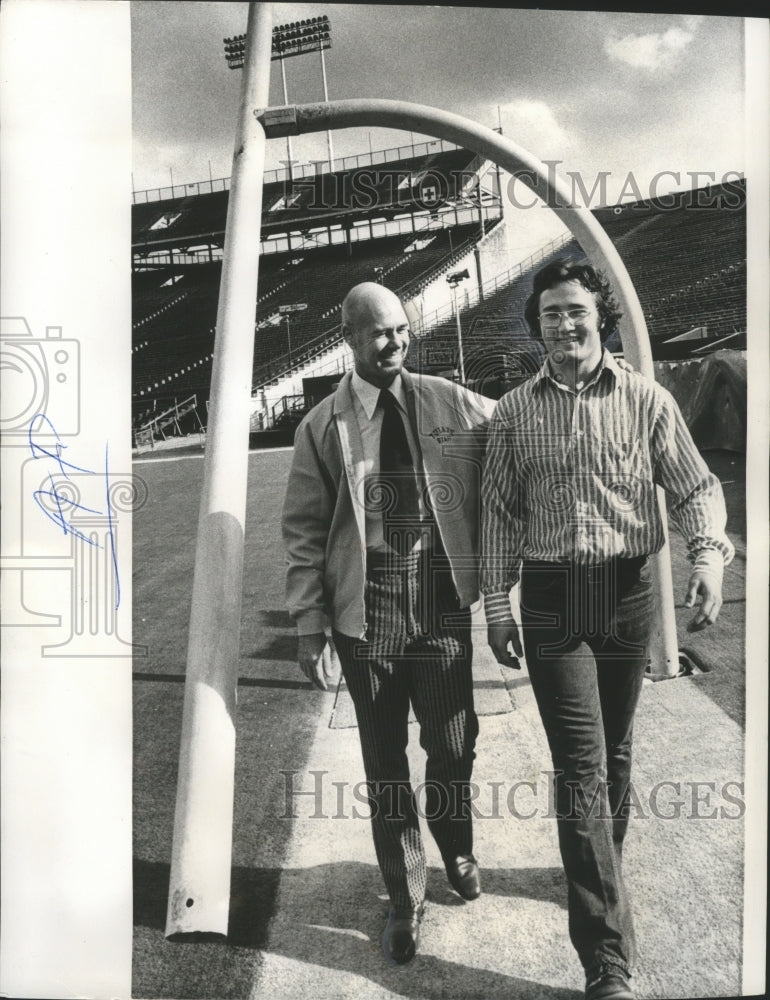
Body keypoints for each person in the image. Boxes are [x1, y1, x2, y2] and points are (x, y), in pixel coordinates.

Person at [480, 260, 734, 1000]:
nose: (565, 324)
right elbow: (497, 513)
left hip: (627, 595)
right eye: (551, 312)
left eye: (577, 311)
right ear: (538, 327)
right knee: (582, 766)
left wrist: (710, 556)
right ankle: (607, 961)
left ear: (602, 319)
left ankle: (598, 873)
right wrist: (497, 605)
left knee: (616, 754)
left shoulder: (647, 400)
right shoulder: (514, 413)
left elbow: (694, 485)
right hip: (554, 602)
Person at [282, 281, 496, 964]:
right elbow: (304, 531)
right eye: (379, 332)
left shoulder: (446, 400)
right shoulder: (320, 426)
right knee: (384, 765)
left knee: (454, 741)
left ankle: (455, 843)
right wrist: (309, 625)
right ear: (347, 336)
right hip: (367, 601)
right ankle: (405, 897)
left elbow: (516, 424)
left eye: (402, 329)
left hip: (437, 589)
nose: (395, 342)